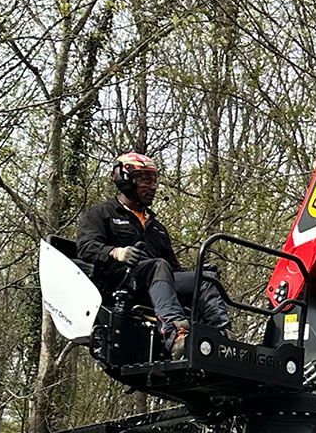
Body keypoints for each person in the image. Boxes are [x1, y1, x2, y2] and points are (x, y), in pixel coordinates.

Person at [76, 152, 230, 358]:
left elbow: (173, 268)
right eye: (145, 180)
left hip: (158, 282)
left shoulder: (157, 228)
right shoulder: (103, 213)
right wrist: (115, 252)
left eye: (154, 180)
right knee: (158, 265)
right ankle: (175, 333)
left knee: (205, 277)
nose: (152, 186)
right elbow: (85, 247)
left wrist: (195, 276)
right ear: (126, 179)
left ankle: (222, 337)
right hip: (120, 281)